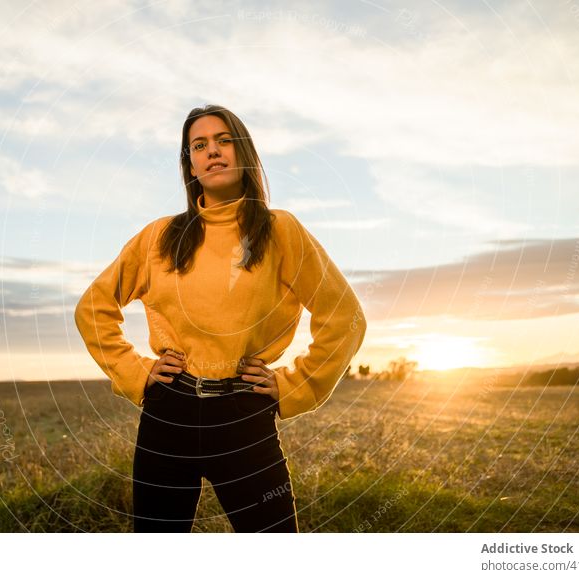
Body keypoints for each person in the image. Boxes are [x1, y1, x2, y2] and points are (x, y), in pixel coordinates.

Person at [74, 104, 367, 532]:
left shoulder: (279, 230)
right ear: (189, 163)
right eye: (199, 145)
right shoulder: (160, 236)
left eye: (224, 140)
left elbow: (346, 317)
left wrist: (294, 385)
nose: (213, 151)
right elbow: (93, 309)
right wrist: (136, 373)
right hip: (168, 416)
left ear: (243, 152)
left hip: (244, 416)